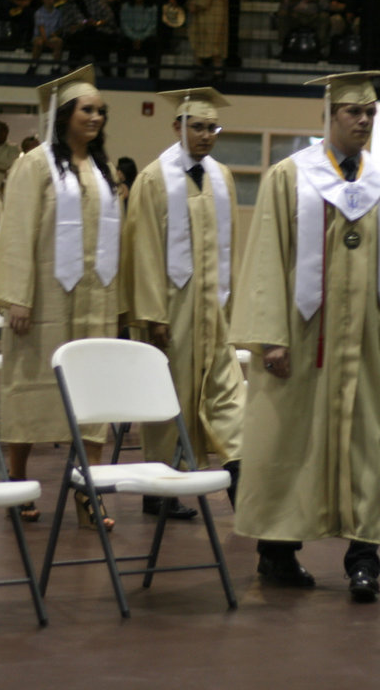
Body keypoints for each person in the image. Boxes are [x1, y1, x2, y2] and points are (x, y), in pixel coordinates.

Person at [230, 71, 380, 602]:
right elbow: (267, 257)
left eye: (369, 113)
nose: (363, 120)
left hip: (360, 340)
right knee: (286, 440)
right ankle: (276, 552)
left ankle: (363, 559)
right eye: (352, 112)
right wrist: (270, 336)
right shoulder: (290, 177)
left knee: (363, 446)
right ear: (331, 115)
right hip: (297, 337)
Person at [0, 66, 122, 527]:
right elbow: (17, 230)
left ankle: (88, 490)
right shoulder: (35, 164)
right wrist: (16, 297)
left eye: (101, 110)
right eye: (87, 109)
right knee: (29, 390)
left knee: (94, 398)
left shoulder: (103, 168)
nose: (96, 117)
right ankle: (16, 482)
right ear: (65, 114)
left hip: (94, 300)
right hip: (43, 301)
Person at [122, 87, 244, 519]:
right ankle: (160, 486)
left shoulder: (222, 177)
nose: (207, 135)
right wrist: (153, 315)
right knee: (170, 395)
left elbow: (229, 249)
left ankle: (240, 479)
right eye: (198, 126)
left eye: (213, 127)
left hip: (214, 309)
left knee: (227, 392)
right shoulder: (155, 179)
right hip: (170, 311)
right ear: (177, 127)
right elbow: (144, 251)